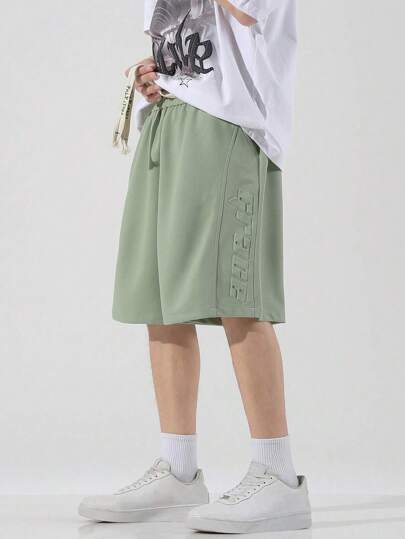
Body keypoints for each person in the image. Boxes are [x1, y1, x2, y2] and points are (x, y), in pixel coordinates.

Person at [79, 0, 311, 533]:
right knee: (159, 300)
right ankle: (178, 471)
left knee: (239, 298)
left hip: (229, 128)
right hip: (169, 120)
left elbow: (249, 14)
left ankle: (278, 475)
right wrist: (162, 72)